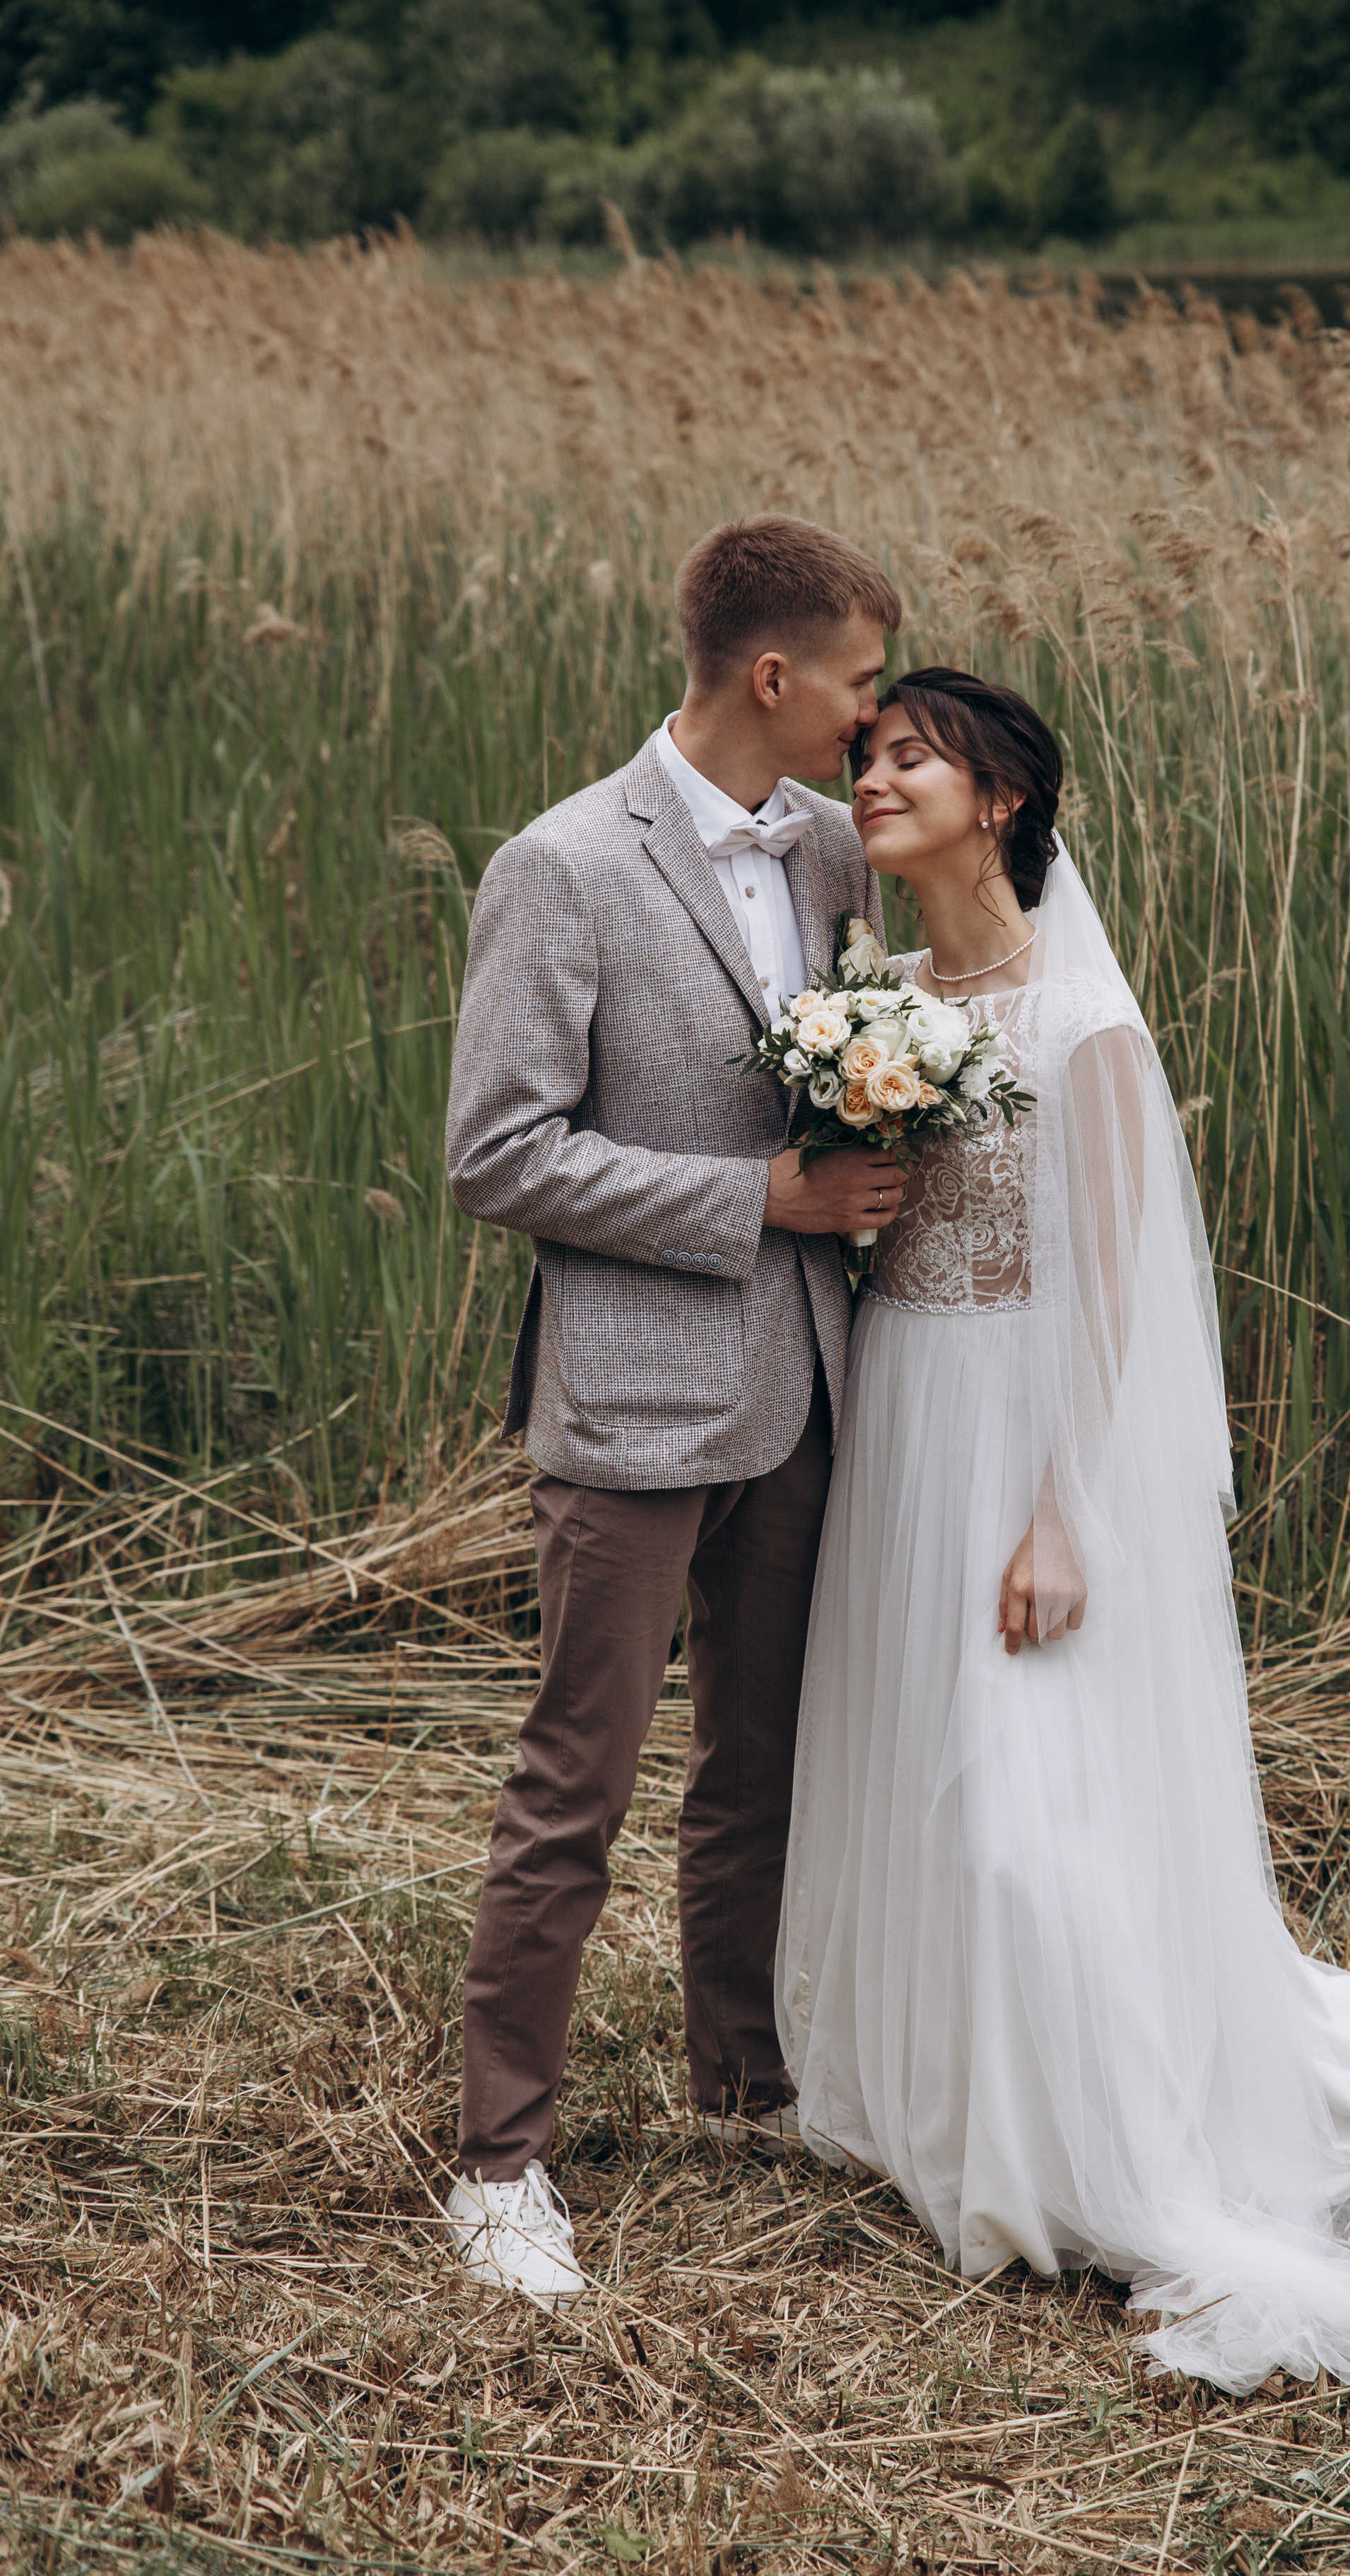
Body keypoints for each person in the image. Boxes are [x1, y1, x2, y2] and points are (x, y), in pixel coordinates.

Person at [777, 669, 1350, 2393]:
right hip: (905, 1405)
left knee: (1018, 1809)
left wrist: (1065, 1514)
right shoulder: (874, 996)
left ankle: (1092, 2136)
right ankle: (937, 2090)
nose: (874, 777)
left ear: (997, 797)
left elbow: (1120, 1296)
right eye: (866, 754)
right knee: (914, 1752)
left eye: (910, 754)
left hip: (1028, 1435)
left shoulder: (1084, 1025)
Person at [438, 515, 912, 2307]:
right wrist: (755, 1207)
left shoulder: (823, 853)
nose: (876, 722)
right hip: (634, 1406)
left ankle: (744, 2080)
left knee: (761, 1767)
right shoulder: (559, 866)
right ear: (773, 677)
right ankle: (499, 2164)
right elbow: (497, 1152)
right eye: (861, 684)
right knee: (577, 1784)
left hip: (804, 1393)